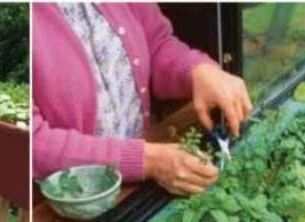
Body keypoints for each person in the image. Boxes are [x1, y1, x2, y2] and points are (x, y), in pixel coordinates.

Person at [33, 3, 253, 195]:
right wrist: (146, 161)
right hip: (66, 204)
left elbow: (155, 44)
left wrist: (197, 71)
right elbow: (33, 143)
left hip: (147, 176)